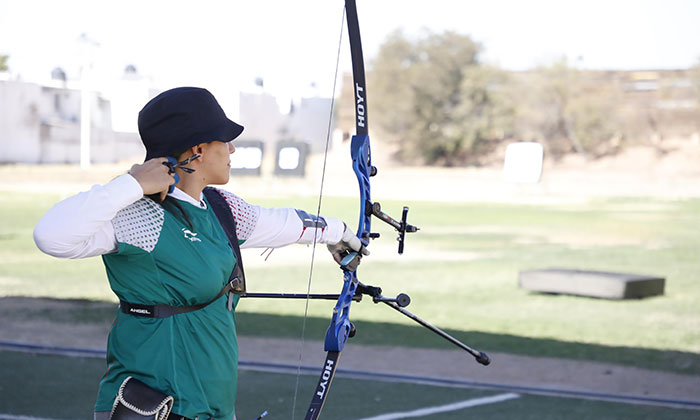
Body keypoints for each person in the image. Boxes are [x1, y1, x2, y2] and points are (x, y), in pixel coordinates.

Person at [33, 87, 367, 420]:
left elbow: (283, 223)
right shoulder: (139, 214)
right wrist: (133, 184)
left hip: (213, 407)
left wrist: (340, 233)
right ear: (198, 150)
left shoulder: (221, 209)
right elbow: (51, 236)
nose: (233, 148)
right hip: (156, 409)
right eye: (225, 140)